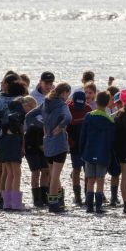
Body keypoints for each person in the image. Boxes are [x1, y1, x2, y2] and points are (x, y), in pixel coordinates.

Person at [0, 73, 28, 209]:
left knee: (1, 169)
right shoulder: (19, 101)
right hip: (10, 136)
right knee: (9, 170)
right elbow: (22, 123)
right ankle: (8, 200)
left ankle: (2, 199)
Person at [79, 91, 116, 214]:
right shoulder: (110, 120)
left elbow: (83, 135)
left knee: (90, 179)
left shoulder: (89, 116)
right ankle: (99, 207)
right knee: (100, 179)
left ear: (96, 100)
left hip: (89, 152)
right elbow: (111, 141)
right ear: (107, 103)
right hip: (103, 153)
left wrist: (81, 151)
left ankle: (89, 206)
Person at [0, 95, 32, 211]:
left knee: (9, 173)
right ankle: (16, 203)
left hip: (3, 142)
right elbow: (22, 133)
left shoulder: (6, 113)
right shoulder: (19, 115)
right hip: (13, 142)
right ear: (24, 105)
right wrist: (23, 147)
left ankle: (6, 203)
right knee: (17, 174)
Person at [42, 82, 72, 213]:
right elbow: (68, 117)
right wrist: (60, 127)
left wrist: (44, 128)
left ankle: (60, 203)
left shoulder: (45, 103)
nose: (68, 97)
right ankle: (54, 205)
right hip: (59, 143)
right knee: (55, 176)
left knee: (54, 174)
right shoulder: (61, 104)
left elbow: (30, 115)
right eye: (68, 94)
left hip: (48, 143)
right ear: (64, 93)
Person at [24, 97, 49, 208]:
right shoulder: (27, 118)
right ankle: (36, 199)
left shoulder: (40, 116)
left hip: (42, 146)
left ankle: (44, 196)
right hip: (31, 147)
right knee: (35, 172)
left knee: (45, 170)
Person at [67, 90, 90, 206]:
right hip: (74, 145)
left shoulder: (88, 109)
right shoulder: (68, 109)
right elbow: (65, 128)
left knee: (87, 171)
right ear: (72, 101)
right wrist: (70, 142)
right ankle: (77, 196)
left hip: (86, 146)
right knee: (76, 169)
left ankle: (87, 194)